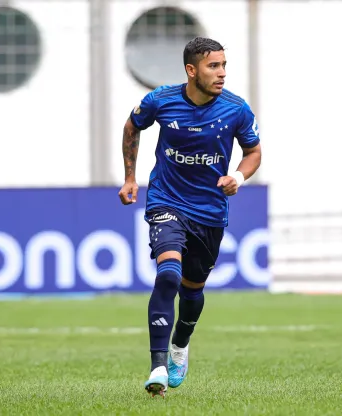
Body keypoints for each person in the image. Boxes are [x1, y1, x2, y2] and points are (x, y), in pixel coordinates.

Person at [117, 37, 262, 397]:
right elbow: (132, 127)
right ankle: (158, 366)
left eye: (224, 65)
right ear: (191, 70)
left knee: (193, 291)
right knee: (168, 275)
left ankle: (181, 341)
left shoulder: (236, 109)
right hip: (166, 202)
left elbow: (254, 151)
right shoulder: (161, 100)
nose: (222, 73)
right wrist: (130, 177)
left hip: (209, 213)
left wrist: (238, 177)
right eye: (214, 66)